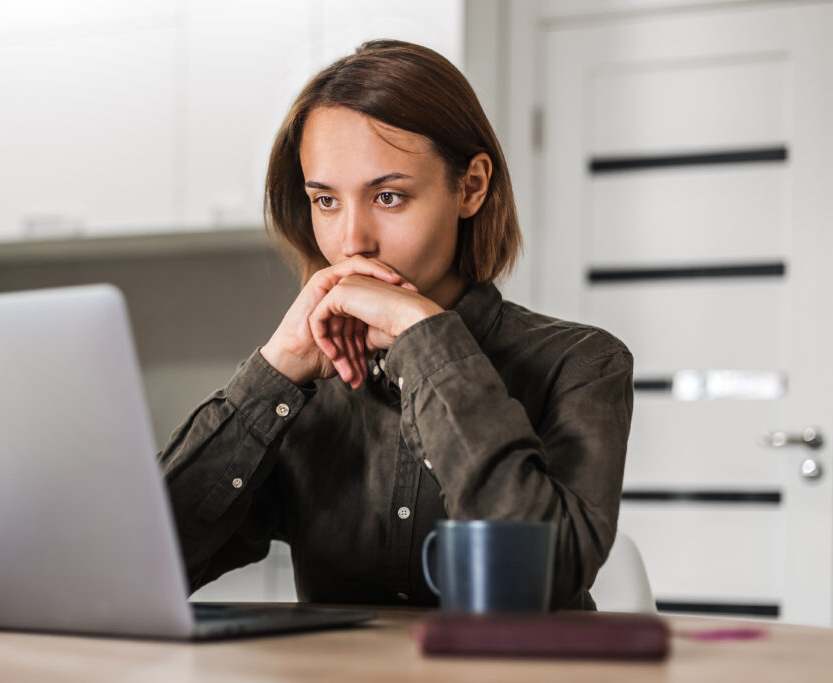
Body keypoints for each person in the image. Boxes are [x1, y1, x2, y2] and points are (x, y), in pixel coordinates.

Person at [160, 40, 633, 610]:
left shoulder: (582, 362)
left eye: (388, 195)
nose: (351, 241)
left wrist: (423, 337)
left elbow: (539, 576)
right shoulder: (307, 390)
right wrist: (275, 368)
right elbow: (148, 566)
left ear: (471, 187)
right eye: (326, 201)